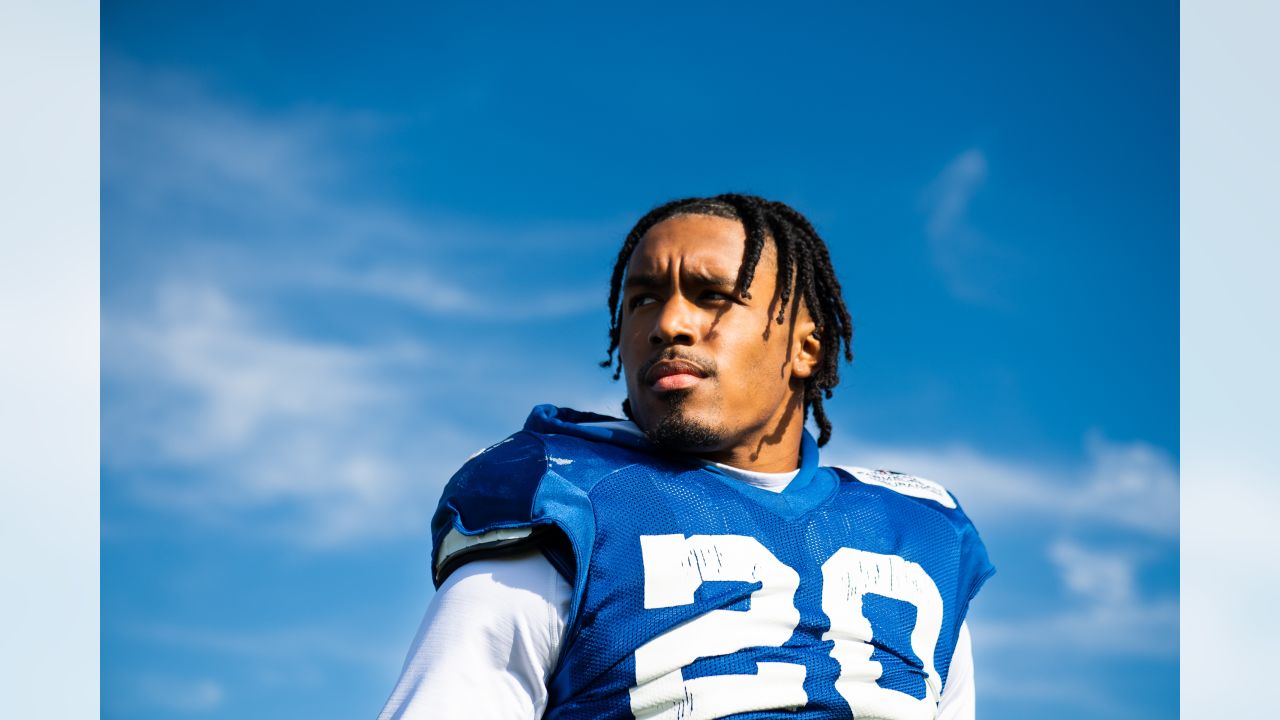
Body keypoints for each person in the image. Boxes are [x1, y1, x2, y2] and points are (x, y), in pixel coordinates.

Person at [378, 194, 994, 719]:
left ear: (806, 348)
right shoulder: (568, 495)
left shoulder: (922, 530)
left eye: (712, 296)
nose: (669, 323)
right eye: (643, 299)